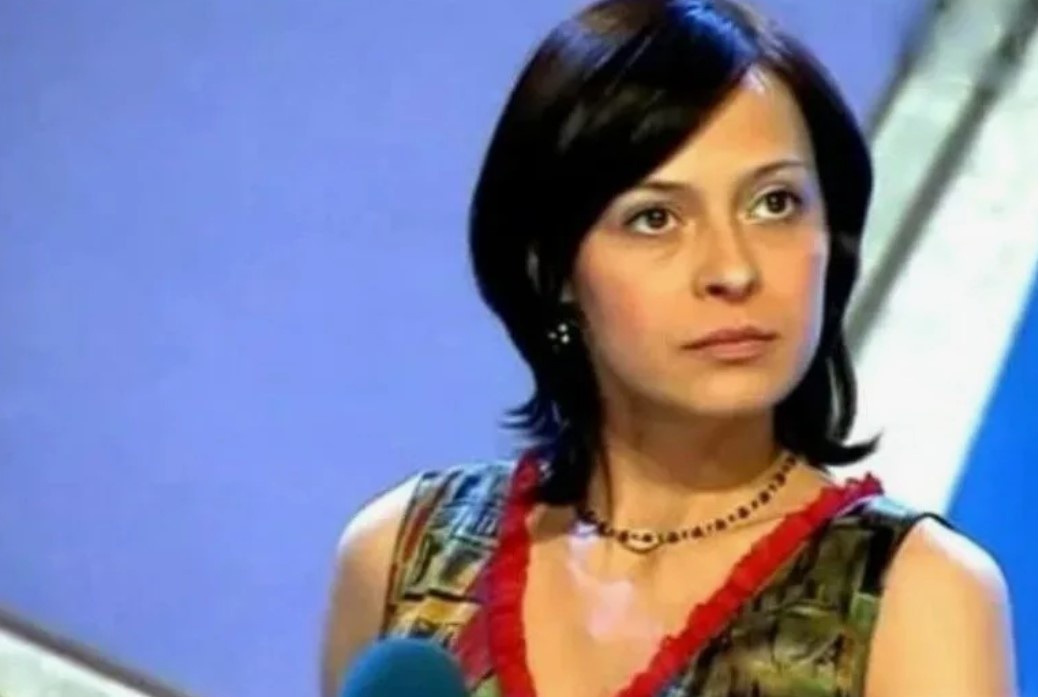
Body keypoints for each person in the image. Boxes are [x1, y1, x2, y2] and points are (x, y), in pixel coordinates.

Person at [320, 1, 1018, 695]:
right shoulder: (404, 557)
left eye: (775, 203)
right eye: (655, 218)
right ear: (551, 268)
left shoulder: (916, 596)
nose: (734, 270)